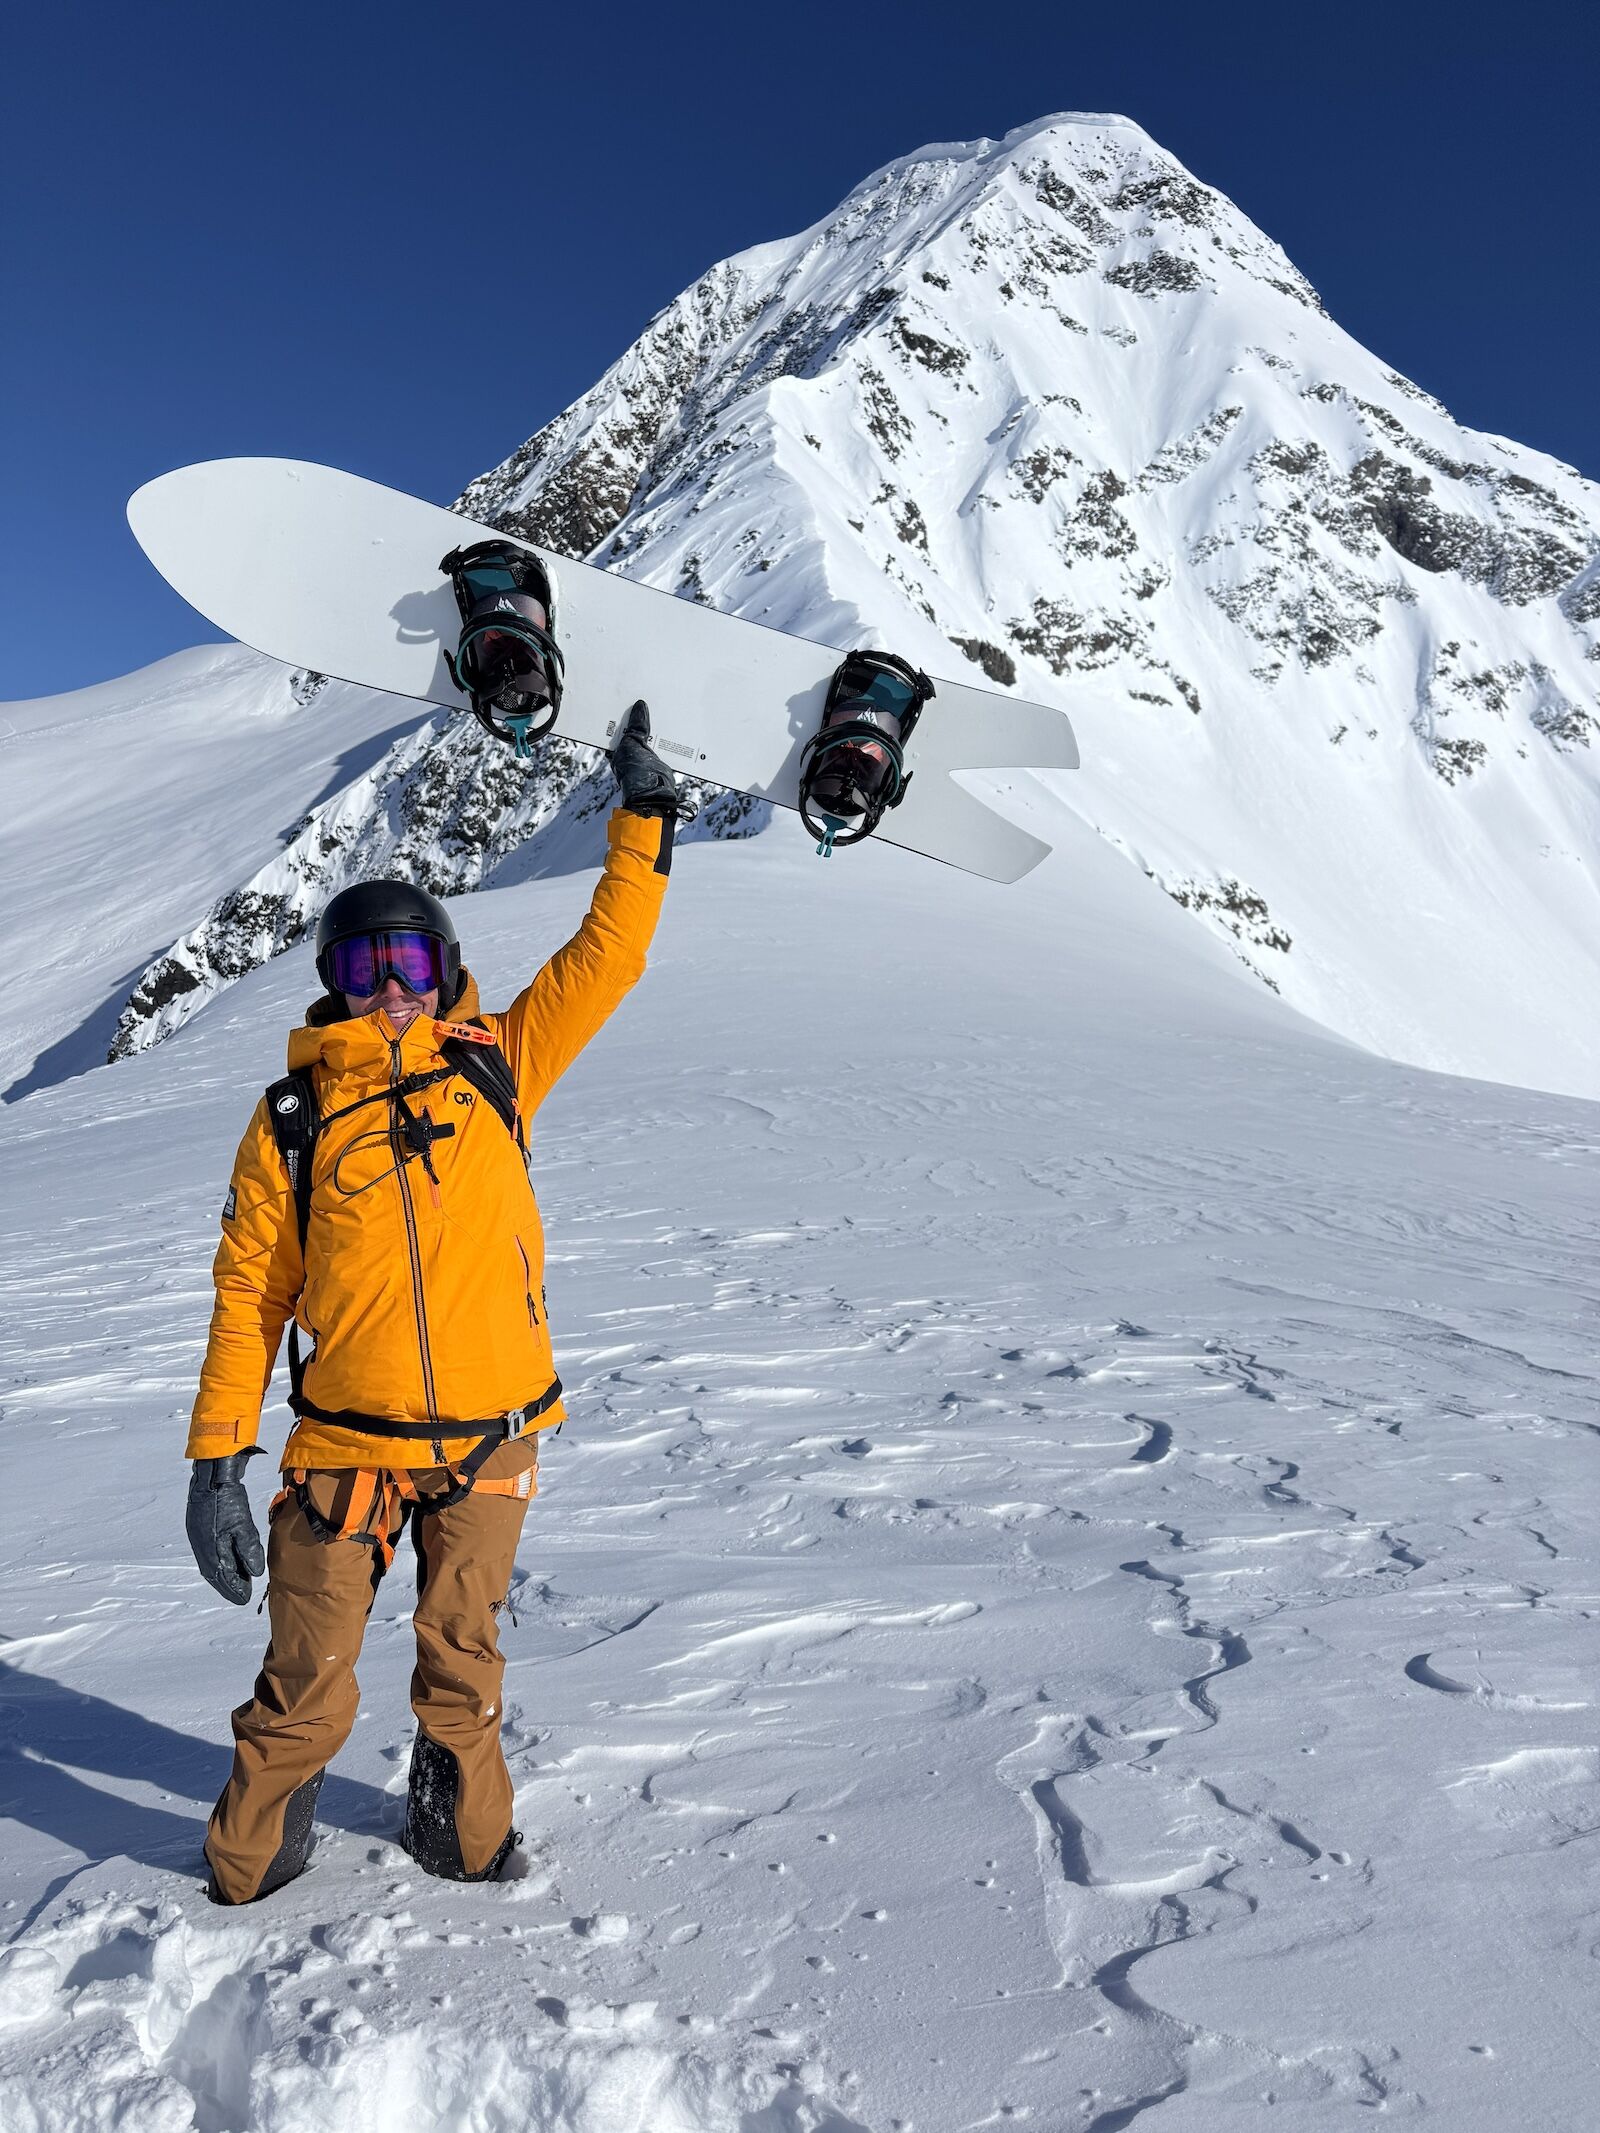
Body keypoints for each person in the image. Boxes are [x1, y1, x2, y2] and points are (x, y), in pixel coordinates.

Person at [185, 703, 680, 1904]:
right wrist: (215, 1462)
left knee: (463, 1673)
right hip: (342, 1449)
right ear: (331, 987)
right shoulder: (294, 1119)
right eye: (363, 969)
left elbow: (606, 958)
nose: (391, 989)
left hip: (490, 1441)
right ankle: (244, 1877)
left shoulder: (499, 1061)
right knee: (302, 1685)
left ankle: (460, 1842)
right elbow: (251, 1294)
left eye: (408, 962)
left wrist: (644, 821)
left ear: (445, 968)